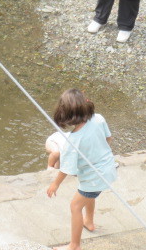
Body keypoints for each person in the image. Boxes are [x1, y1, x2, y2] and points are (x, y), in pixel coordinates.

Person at [46, 89, 116, 250]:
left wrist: (55, 184)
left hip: (94, 178)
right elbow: (108, 139)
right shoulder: (98, 118)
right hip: (108, 169)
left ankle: (74, 246)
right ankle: (89, 222)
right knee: (88, 195)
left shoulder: (73, 140)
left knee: (75, 206)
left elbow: (66, 169)